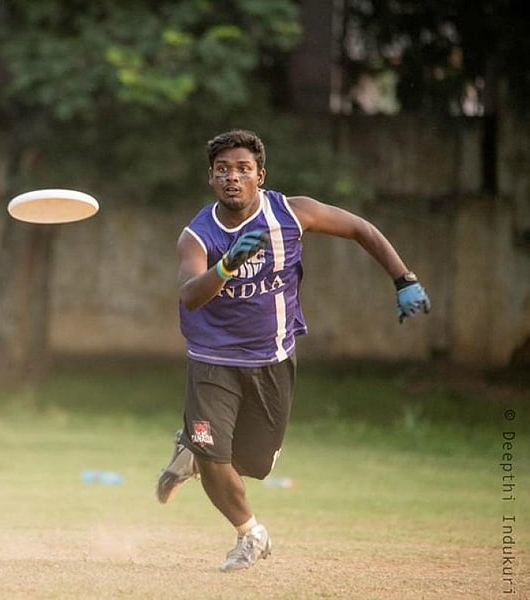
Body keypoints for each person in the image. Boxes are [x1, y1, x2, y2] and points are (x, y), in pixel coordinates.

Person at [156, 129, 430, 571]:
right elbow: (190, 294)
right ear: (210, 178)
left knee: (255, 464)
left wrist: (404, 279)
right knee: (214, 459)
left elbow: (361, 229)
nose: (233, 177)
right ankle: (250, 534)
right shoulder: (196, 235)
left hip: (272, 360)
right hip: (212, 361)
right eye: (223, 170)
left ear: (260, 176)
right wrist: (227, 265)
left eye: (243, 169)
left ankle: (192, 451)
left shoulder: (291, 213)